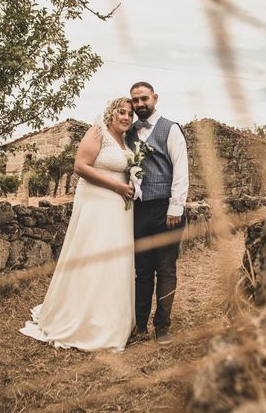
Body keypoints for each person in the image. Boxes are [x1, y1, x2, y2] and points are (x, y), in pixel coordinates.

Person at [19, 98, 136, 351]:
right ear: (112, 113)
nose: (126, 117)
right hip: (98, 203)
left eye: (130, 114)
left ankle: (110, 320)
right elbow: (80, 166)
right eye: (122, 112)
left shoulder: (126, 142)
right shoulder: (98, 132)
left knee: (115, 260)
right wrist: (116, 186)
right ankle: (83, 320)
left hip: (120, 209)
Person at [126, 81, 189, 346]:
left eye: (144, 99)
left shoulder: (170, 129)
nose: (140, 104)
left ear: (155, 98)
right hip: (139, 210)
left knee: (165, 269)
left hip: (166, 209)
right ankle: (140, 325)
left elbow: (181, 170)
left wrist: (176, 206)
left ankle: (162, 325)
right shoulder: (129, 133)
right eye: (135, 100)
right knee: (142, 270)